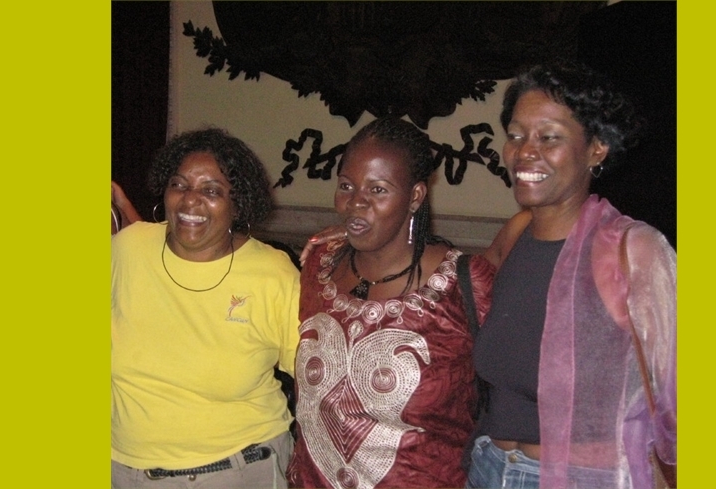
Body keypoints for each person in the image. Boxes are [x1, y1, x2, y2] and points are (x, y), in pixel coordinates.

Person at [300, 60, 676, 489]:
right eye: (516, 135)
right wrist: (359, 231)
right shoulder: (517, 235)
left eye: (549, 137)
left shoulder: (631, 251)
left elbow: (680, 401)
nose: (525, 151)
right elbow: (443, 280)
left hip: (577, 477)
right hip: (488, 468)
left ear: (597, 148)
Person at [286, 116, 496, 489]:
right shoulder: (319, 266)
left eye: (378, 190)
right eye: (346, 186)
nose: (356, 202)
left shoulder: (463, 285)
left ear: (415, 197)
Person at [111, 128, 301, 488]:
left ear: (238, 203)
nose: (190, 200)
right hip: (123, 471)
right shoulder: (129, 249)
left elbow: (316, 377)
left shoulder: (271, 273)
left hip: (236, 471)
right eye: (179, 185)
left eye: (211, 191)